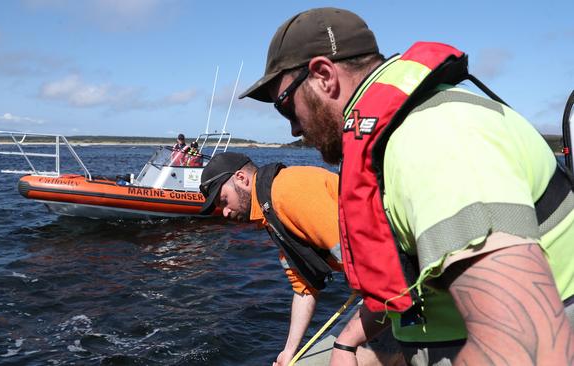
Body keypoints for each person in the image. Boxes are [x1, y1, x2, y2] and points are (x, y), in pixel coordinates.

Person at [239, 7, 574, 366]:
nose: (293, 129)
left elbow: (527, 346)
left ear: (324, 76)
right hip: (432, 335)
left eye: (285, 106)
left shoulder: (431, 139)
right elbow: (405, 278)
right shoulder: (395, 139)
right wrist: (346, 343)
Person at [199, 152, 404, 366]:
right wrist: (289, 351)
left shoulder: (287, 193)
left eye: (224, 201)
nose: (225, 212)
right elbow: (303, 288)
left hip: (404, 283)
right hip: (387, 289)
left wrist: (346, 344)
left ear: (241, 178)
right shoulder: (270, 212)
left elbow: (381, 273)